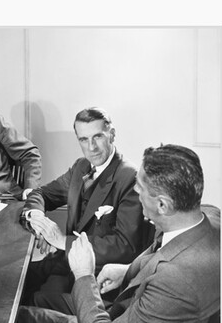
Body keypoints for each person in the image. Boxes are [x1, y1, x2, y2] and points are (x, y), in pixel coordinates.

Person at [0, 144, 220, 323]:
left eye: (140, 189)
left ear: (164, 205)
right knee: (43, 298)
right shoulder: (205, 219)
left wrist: (84, 275)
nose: (136, 192)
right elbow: (162, 254)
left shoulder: (176, 280)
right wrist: (127, 270)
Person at [20, 107, 147, 310]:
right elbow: (41, 194)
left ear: (112, 134)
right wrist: (36, 217)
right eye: (83, 140)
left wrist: (62, 241)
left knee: (31, 305)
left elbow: (124, 247)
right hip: (65, 262)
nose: (91, 147)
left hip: (99, 279)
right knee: (16, 281)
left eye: (98, 137)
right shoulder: (81, 167)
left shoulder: (129, 178)